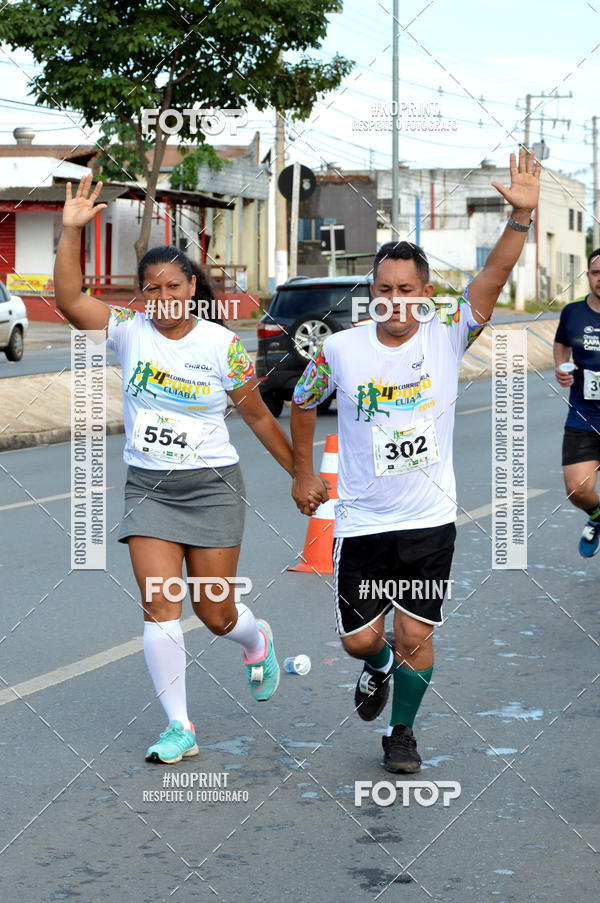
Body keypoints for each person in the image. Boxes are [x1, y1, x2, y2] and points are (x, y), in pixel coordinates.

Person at [291, 149, 540, 773]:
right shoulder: (341, 350)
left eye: (407, 292)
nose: (395, 302)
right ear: (370, 292)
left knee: (414, 637)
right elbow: (300, 401)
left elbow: (492, 280)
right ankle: (374, 672)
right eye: (383, 291)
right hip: (362, 521)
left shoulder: (447, 331)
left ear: (425, 295)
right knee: (361, 641)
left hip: (429, 520)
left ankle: (401, 733)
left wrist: (520, 221)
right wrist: (302, 471)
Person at [54, 175, 295, 764]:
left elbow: (261, 419)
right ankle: (179, 727)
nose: (162, 295)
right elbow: (68, 300)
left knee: (214, 613)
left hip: (212, 488)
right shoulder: (128, 334)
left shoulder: (221, 346)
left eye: (172, 284)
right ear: (142, 295)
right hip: (150, 487)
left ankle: (253, 637)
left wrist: (300, 474)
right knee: (160, 602)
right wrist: (68, 231)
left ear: (191, 287)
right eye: (150, 288)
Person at [554, 248, 600, 556]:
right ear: (588, 277)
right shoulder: (572, 312)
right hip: (584, 417)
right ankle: (597, 516)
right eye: (596, 273)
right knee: (576, 489)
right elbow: (561, 344)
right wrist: (561, 366)